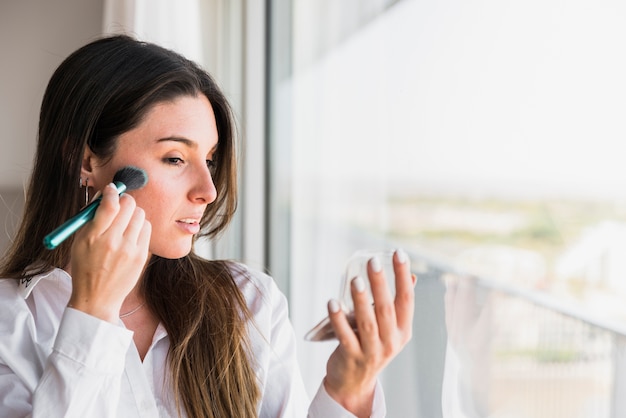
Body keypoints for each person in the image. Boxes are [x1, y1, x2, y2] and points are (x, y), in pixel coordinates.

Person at [0, 35, 415, 417]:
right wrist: (92, 314)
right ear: (87, 162)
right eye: (176, 159)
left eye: (210, 160)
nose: (208, 190)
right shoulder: (10, 321)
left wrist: (348, 389)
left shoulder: (248, 302)